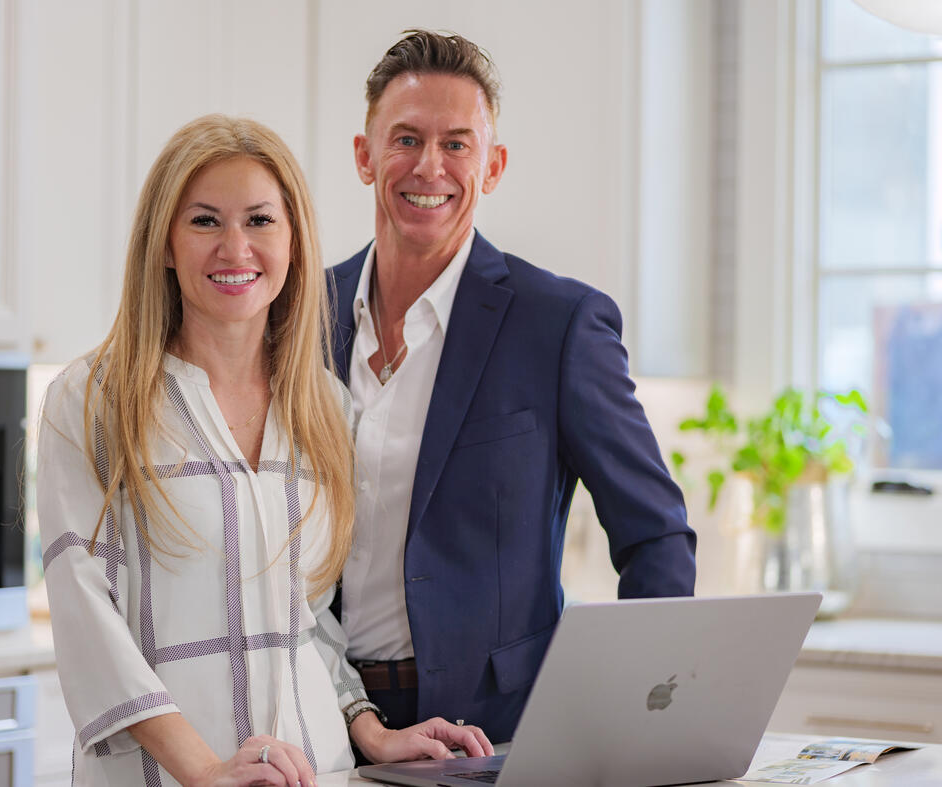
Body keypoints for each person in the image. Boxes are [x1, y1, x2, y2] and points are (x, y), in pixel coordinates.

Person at [37, 114, 491, 786]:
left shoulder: (324, 407)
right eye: (204, 221)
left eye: (259, 220)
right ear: (165, 243)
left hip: (318, 770)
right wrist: (206, 771)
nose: (235, 247)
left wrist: (372, 731)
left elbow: (306, 616)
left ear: (294, 243)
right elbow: (87, 619)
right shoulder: (93, 400)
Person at [328, 30, 699, 745]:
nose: (429, 166)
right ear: (364, 155)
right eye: (405, 139)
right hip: (322, 722)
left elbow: (656, 536)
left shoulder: (558, 324)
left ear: (492, 166)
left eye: (456, 144)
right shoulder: (299, 314)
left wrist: (640, 720)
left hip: (496, 734)